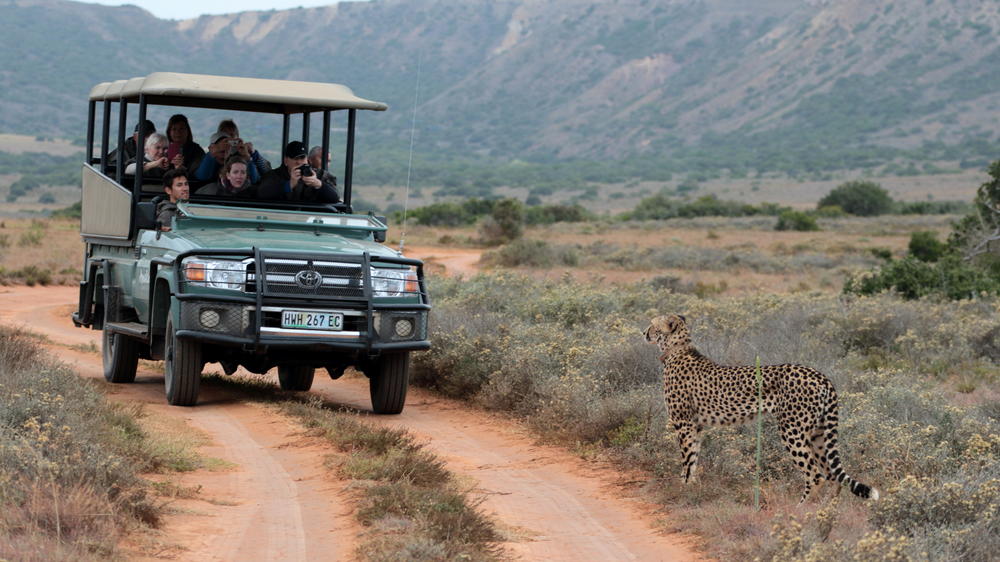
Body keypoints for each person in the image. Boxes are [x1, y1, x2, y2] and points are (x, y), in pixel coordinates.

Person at [257, 141, 340, 203]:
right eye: (295, 158)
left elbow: (335, 198)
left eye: (302, 158)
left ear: (307, 160)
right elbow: (261, 193)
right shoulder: (273, 175)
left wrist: (318, 184)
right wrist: (289, 185)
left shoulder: (320, 175)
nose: (299, 162)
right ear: (286, 160)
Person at [193, 131, 264, 184]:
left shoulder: (238, 161)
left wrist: (247, 158)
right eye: (221, 150)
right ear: (211, 148)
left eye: (229, 144)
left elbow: (253, 180)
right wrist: (211, 155)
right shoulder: (203, 159)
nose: (225, 153)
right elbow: (202, 177)